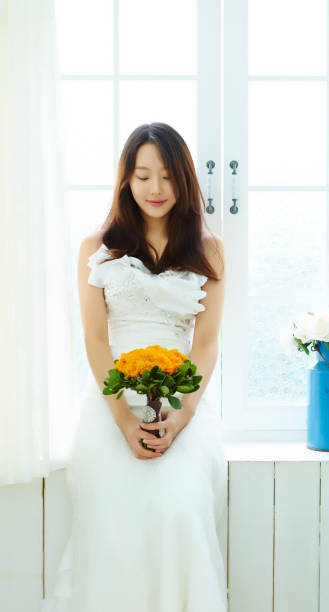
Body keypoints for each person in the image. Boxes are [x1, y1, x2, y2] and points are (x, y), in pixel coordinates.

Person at [39, 122, 228, 611]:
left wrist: (182, 414)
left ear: (183, 179)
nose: (155, 189)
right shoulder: (96, 247)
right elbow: (96, 340)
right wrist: (124, 419)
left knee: (178, 507)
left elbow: (205, 346)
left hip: (184, 403)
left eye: (166, 176)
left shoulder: (209, 250)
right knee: (116, 513)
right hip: (111, 402)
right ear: (126, 180)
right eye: (142, 176)